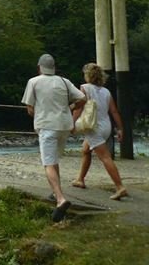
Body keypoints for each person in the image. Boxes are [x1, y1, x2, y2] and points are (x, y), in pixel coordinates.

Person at [21, 53, 86, 222]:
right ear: (54, 67)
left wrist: (40, 114)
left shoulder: (33, 82)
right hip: (64, 125)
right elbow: (82, 98)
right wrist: (69, 107)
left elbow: (30, 108)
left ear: (39, 68)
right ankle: (55, 191)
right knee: (54, 159)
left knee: (48, 163)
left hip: (47, 126)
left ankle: (60, 199)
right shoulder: (64, 81)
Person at [71, 62, 127, 200]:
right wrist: (120, 128)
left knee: (105, 157)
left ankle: (120, 187)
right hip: (106, 126)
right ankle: (80, 179)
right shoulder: (106, 91)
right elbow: (114, 111)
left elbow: (78, 108)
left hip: (92, 127)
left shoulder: (84, 89)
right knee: (85, 150)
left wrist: (71, 123)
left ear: (87, 75)